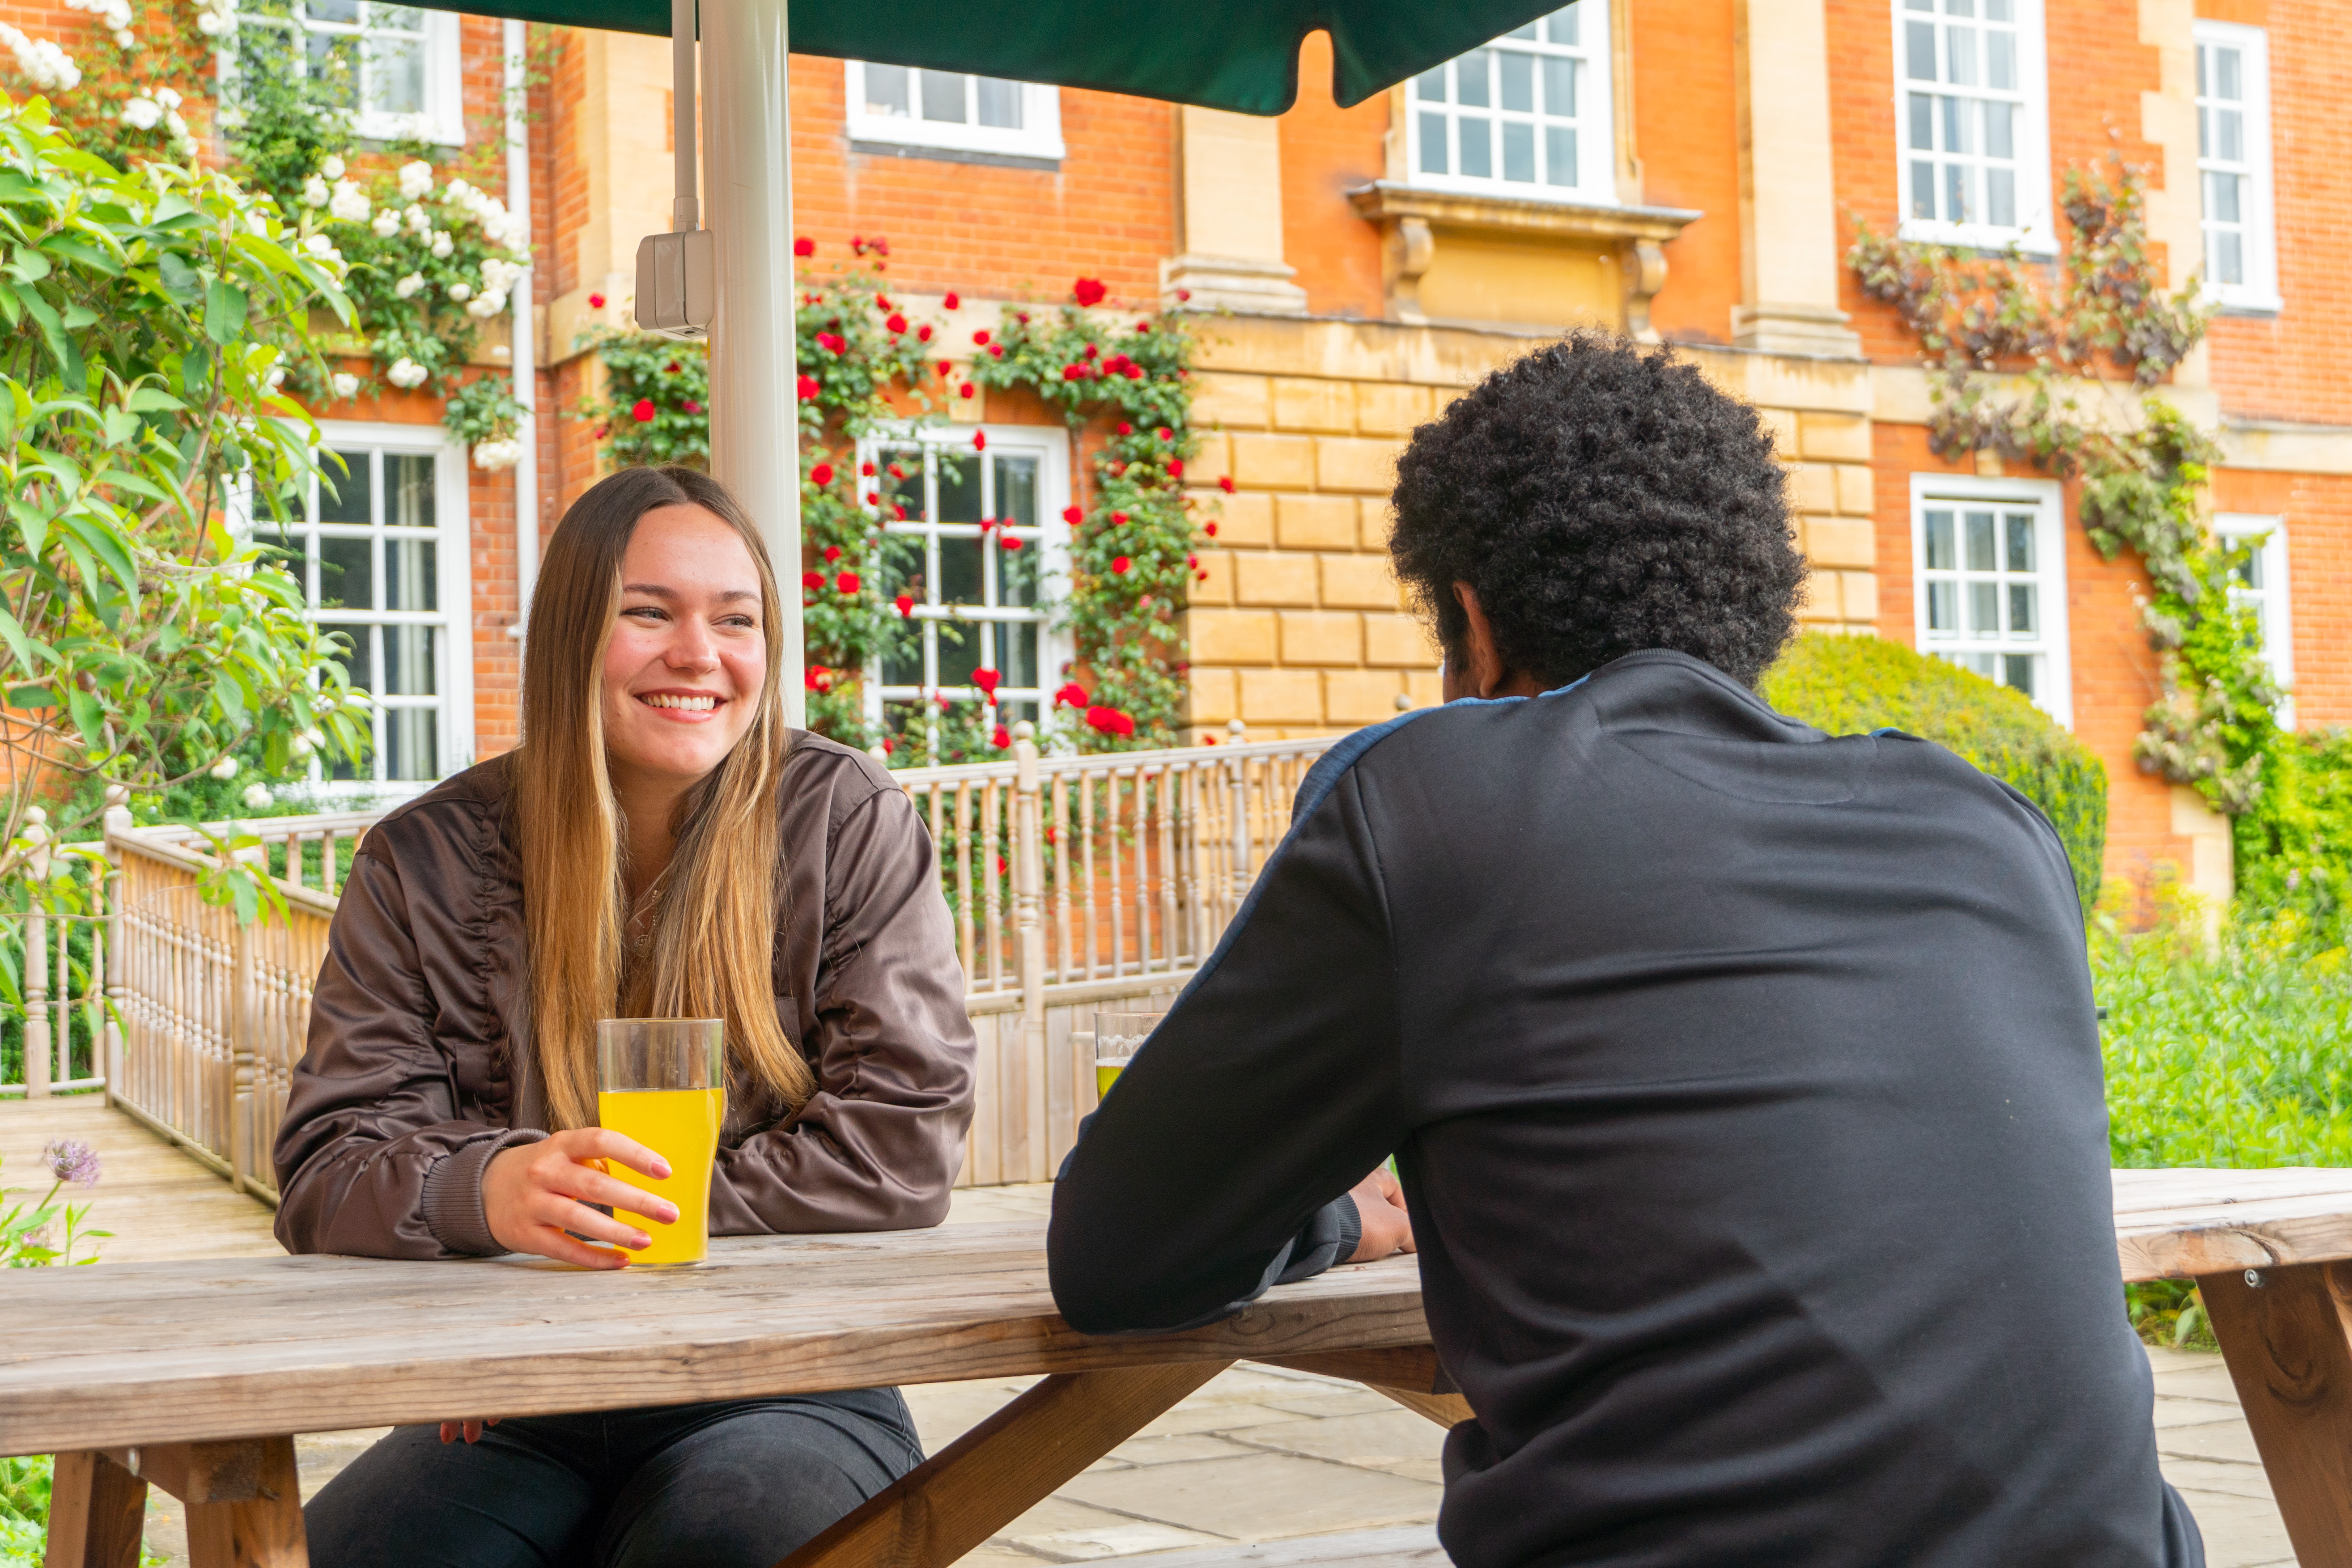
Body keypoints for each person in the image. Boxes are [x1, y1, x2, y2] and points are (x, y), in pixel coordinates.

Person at [1048, 334, 2202, 1568]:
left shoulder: (1436, 810)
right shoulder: (1989, 828)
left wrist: (1336, 1217)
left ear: (1474, 625)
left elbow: (1119, 1255)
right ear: (1748, 606)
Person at [275, 465, 976, 1568]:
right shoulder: (422, 860)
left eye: (734, 620)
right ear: (568, 638)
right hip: (514, 1394)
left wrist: (587, 1211)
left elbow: (898, 1150)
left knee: (723, 1540)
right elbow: (330, 1159)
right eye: (648, 612)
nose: (698, 654)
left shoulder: (844, 820)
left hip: (784, 1378)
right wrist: (491, 1191)